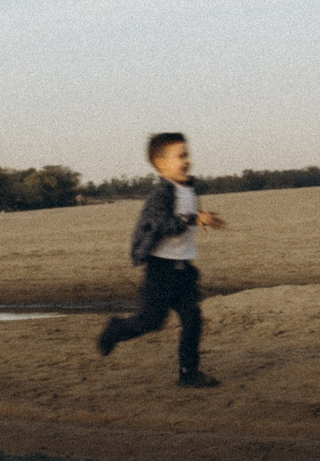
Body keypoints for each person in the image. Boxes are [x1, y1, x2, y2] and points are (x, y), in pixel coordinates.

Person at [96, 132, 226, 388]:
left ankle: (189, 373)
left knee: (193, 319)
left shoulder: (188, 188)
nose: (187, 160)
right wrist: (192, 219)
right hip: (161, 269)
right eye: (180, 156)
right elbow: (162, 224)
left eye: (187, 154)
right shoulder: (161, 192)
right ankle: (115, 330)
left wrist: (202, 216)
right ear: (160, 164)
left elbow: (185, 217)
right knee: (152, 321)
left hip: (183, 269)